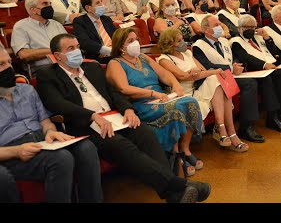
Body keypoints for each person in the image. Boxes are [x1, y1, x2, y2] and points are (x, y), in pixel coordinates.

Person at [36, 33, 211, 203]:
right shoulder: (47, 75)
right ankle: (179, 186)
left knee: (145, 134)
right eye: (71, 48)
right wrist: (92, 115)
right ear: (58, 56)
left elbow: (113, 93)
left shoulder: (92, 68)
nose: (77, 51)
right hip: (87, 124)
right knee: (122, 145)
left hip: (115, 117)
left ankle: (175, 193)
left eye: (78, 47)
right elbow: (56, 103)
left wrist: (128, 109)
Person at [0, 46, 103, 203]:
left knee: (86, 148)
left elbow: (45, 121)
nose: (8, 68)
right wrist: (16, 151)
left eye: (9, 62)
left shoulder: (27, 90)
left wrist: (50, 132)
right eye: (1, 65)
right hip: (11, 150)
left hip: (42, 141)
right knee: (61, 159)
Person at [106, 28, 204, 176]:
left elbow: (164, 74)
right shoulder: (115, 63)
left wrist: (175, 85)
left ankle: (185, 148)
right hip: (141, 103)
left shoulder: (143, 58)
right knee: (176, 109)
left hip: (161, 98)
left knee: (190, 102)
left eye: (136, 39)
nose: (136, 43)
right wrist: (152, 93)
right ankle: (175, 155)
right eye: (130, 41)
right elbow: (124, 88)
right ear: (121, 46)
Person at [156, 28, 248, 152]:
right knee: (216, 77)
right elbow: (182, 76)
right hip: (183, 93)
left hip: (197, 86)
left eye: (182, 39)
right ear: (170, 44)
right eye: (179, 41)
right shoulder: (164, 59)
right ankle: (224, 130)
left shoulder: (187, 53)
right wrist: (205, 72)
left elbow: (202, 70)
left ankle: (225, 130)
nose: (183, 42)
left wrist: (197, 72)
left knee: (217, 80)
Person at [192, 15, 265, 143]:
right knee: (249, 84)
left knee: (260, 79)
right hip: (215, 79)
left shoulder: (225, 42)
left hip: (231, 75)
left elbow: (232, 58)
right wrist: (231, 68)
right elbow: (206, 66)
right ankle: (245, 128)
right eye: (215, 25)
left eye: (219, 24)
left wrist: (236, 65)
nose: (220, 27)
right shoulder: (198, 45)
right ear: (205, 29)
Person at [231, 14, 281, 130]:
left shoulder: (258, 38)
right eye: (246, 27)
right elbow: (246, 57)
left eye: (253, 27)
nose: (250, 30)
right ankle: (272, 117)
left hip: (267, 68)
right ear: (239, 28)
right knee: (270, 79)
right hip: (251, 70)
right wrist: (264, 65)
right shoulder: (236, 41)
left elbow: (273, 53)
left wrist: (267, 38)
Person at [11, 0, 68, 76]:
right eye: (45, 4)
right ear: (33, 10)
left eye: (50, 3)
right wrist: (54, 51)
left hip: (66, 64)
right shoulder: (21, 26)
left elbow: (70, 44)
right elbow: (24, 54)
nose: (49, 6)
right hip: (43, 68)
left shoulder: (56, 24)